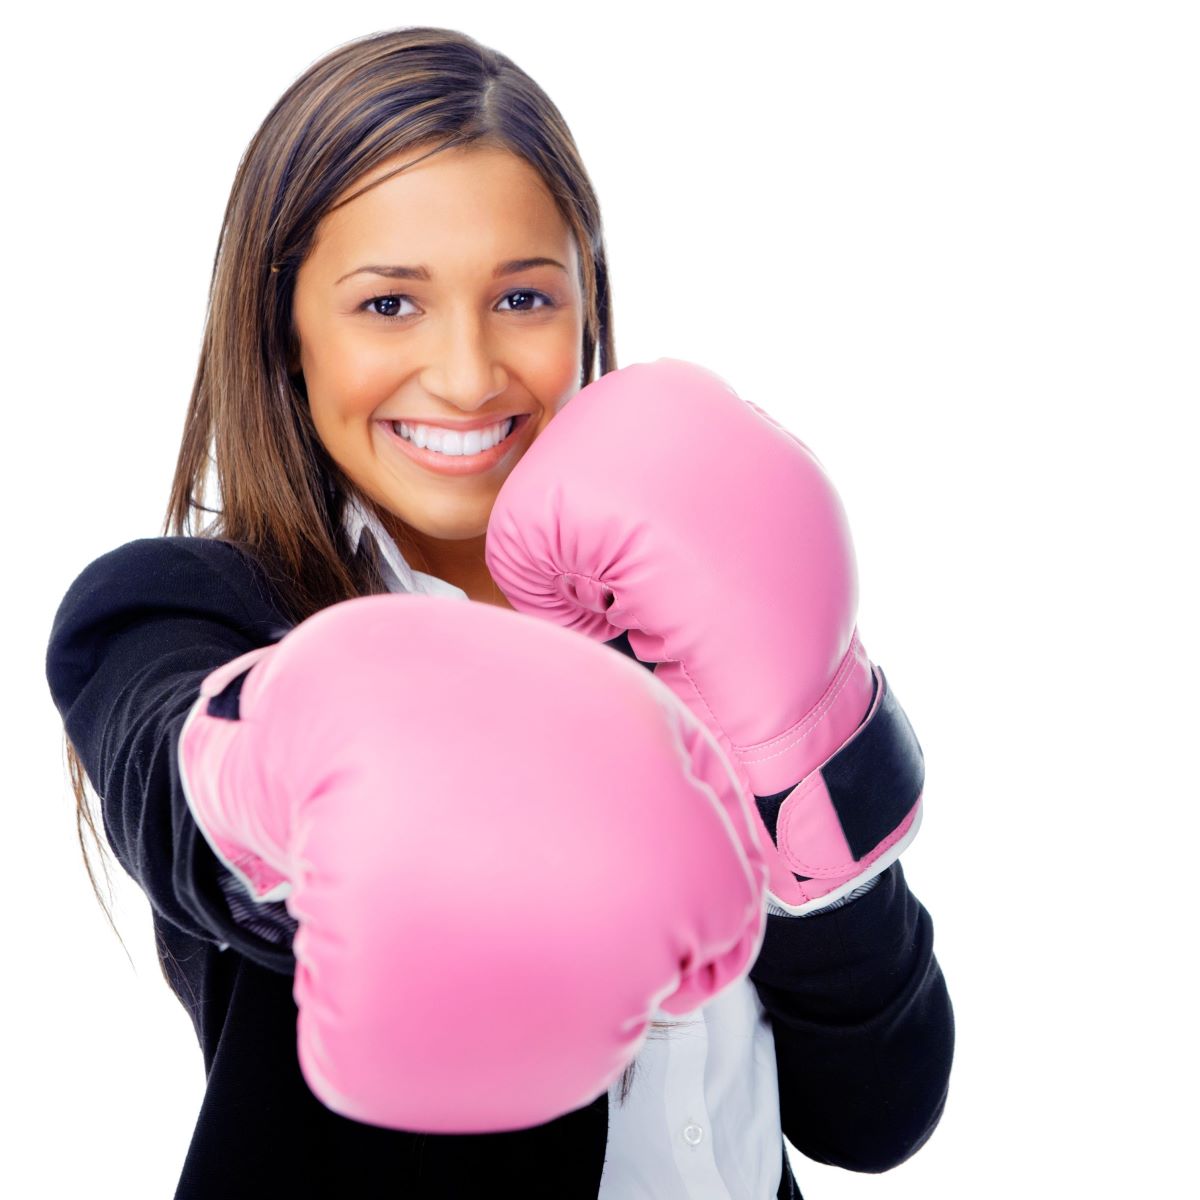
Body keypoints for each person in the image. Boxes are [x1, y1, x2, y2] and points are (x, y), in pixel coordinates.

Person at [43, 25, 954, 1199]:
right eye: (388, 305)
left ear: (587, 304)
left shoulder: (686, 597)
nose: (469, 374)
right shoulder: (189, 613)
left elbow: (879, 1111)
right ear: (287, 330)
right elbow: (175, 780)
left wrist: (802, 747)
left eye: (522, 295)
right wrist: (366, 757)